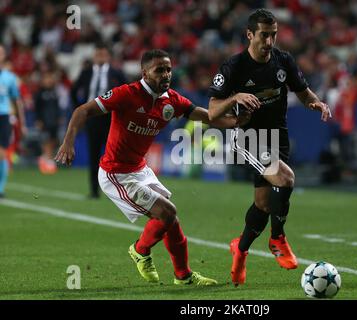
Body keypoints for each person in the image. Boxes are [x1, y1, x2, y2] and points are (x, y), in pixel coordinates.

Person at [55, 49, 243, 286]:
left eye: (168, 69)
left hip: (140, 169)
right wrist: (68, 141)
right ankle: (140, 250)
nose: (166, 75)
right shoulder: (126, 94)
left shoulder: (172, 100)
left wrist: (236, 121)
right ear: (144, 73)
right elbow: (83, 110)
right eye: (159, 70)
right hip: (116, 173)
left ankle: (183, 276)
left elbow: (206, 116)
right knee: (167, 212)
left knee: (170, 219)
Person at [208, 9, 332, 286]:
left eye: (273, 35)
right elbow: (213, 111)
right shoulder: (234, 67)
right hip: (249, 137)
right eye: (264, 35)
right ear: (250, 35)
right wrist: (236, 97)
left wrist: (316, 102)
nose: (269, 41)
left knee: (263, 205)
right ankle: (277, 239)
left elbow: (302, 90)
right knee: (285, 178)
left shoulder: (283, 60)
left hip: (279, 137)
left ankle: (239, 250)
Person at [71, 42, 127, 198]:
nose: (100, 57)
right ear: (94, 56)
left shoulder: (117, 73)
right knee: (94, 154)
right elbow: (74, 90)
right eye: (98, 54)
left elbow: (128, 93)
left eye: (103, 54)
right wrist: (80, 109)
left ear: (108, 56)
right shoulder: (86, 72)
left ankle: (116, 192)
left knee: (113, 155)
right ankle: (94, 191)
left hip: (111, 118)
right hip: (92, 118)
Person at [0, 44, 27, 198]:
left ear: (4, 56)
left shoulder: (9, 78)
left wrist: (22, 123)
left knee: (2, 154)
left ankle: (1, 189)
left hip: (3, 116)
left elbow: (17, 101)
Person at [34, 71, 62, 175]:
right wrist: (38, 120)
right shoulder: (40, 93)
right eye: (47, 79)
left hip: (54, 120)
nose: (49, 81)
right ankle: (48, 160)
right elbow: (37, 108)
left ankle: (45, 158)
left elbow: (57, 106)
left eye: (50, 78)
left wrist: (59, 117)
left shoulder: (54, 92)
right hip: (45, 120)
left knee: (54, 140)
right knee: (46, 140)